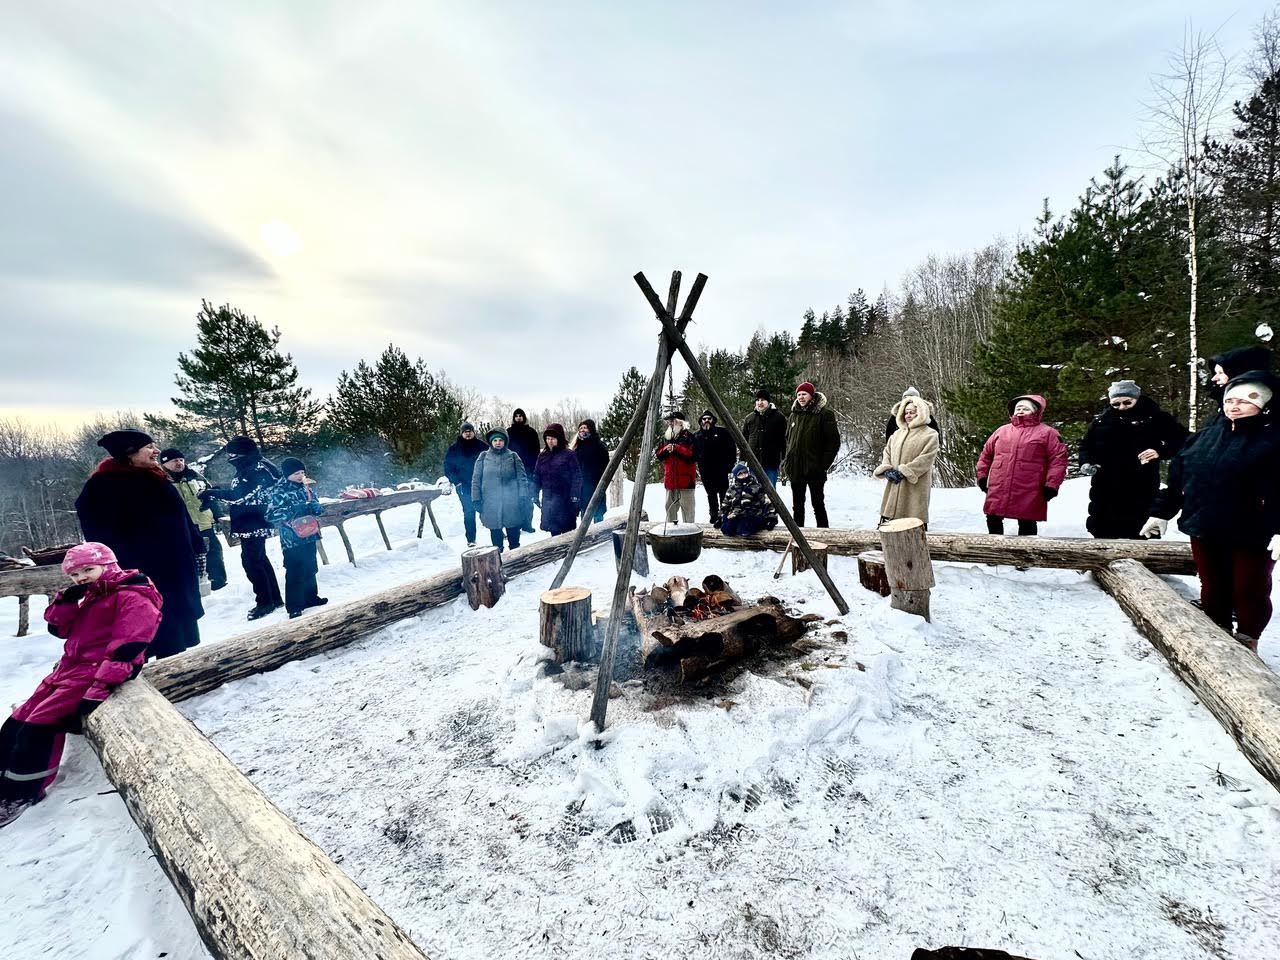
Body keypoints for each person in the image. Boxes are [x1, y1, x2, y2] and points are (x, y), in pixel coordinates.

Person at [1, 543, 161, 828]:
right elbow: (60, 630)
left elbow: (129, 645)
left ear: (108, 565)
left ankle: (21, 792)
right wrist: (64, 601)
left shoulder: (132, 595)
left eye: (88, 569)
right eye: (75, 574)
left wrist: (100, 688)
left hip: (92, 671)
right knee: (17, 720)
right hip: (68, 668)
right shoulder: (92, 594)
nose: (81, 577)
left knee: (39, 726)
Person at [1141, 372, 1280, 652]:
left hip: (1253, 531)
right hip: (1204, 524)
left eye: (1245, 400)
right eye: (1230, 400)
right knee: (1212, 585)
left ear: (1265, 404)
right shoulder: (1204, 437)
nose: (1235, 406)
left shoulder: (1275, 440)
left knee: (1248, 589)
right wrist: (1161, 512)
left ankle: (1247, 639)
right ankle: (1217, 636)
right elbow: (1179, 478)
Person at [74, 429, 204, 658]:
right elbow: (98, 533)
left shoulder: (155, 476)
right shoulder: (104, 485)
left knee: (179, 621)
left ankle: (183, 665)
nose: (156, 451)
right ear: (129, 453)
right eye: (149, 447)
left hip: (175, 565)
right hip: (144, 571)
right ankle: (170, 673)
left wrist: (196, 543)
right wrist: (120, 568)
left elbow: (180, 514)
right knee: (159, 624)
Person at [1078, 381, 1187, 539]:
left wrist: (1160, 451)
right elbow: (1086, 446)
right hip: (1106, 485)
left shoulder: (1156, 418)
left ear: (1137, 398)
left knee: (1139, 529)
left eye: (1127, 402)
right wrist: (1086, 462)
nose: (1122, 407)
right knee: (1102, 530)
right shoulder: (1101, 421)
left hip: (1141, 484)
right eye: (1116, 404)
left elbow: (1185, 440)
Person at [207, 435, 283, 620]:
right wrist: (218, 489)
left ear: (242, 453)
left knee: (252, 562)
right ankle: (273, 598)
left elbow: (240, 496)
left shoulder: (256, 468)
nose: (230, 458)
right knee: (259, 560)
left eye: (232, 454)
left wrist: (213, 493)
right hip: (250, 520)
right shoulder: (251, 466)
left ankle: (265, 602)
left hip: (254, 521)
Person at [975, 394, 1068, 536]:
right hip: (999, 483)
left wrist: (1052, 485)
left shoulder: (1048, 433)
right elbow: (986, 455)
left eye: (1025, 408)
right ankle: (995, 551)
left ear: (1036, 411)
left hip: (1030, 486)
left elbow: (1058, 461)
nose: (1020, 411)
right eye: (1018, 408)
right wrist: (982, 476)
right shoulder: (1001, 431)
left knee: (1027, 520)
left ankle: (1026, 555)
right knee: (993, 516)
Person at [265, 457, 328, 620]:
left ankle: (311, 598)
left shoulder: (306, 487)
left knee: (310, 567)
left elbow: (315, 504)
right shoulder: (278, 490)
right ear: (287, 474)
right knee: (294, 570)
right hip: (291, 538)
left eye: (302, 472)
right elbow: (270, 514)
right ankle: (294, 606)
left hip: (309, 534)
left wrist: (316, 508)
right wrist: (294, 509)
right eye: (296, 473)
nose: (300, 475)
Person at [159, 448, 227, 591]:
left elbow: (211, 497)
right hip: (181, 528)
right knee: (190, 557)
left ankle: (219, 583)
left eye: (181, 460)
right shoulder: (160, 482)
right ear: (165, 464)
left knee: (214, 552)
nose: (179, 463)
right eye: (174, 461)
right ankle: (195, 586)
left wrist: (218, 515)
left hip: (204, 522)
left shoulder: (196, 476)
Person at [873, 394, 939, 526]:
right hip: (894, 485)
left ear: (920, 413)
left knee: (912, 524)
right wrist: (887, 469)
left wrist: (905, 471)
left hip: (915, 486)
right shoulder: (897, 434)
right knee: (888, 525)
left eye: (912, 413)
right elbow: (887, 452)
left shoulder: (930, 434)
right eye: (906, 413)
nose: (908, 416)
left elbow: (926, 458)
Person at [783, 381, 840, 528]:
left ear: (812, 396)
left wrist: (823, 464)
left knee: (818, 504)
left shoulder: (824, 414)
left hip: (815, 468)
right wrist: (787, 461)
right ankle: (798, 537)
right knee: (797, 505)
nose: (801, 397)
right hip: (795, 468)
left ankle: (823, 534)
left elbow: (833, 443)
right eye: (799, 394)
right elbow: (788, 440)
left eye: (804, 394)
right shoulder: (793, 415)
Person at [472, 428, 530, 552]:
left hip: (511, 501)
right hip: (490, 502)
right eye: (495, 440)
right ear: (491, 442)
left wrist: (523, 496)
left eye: (501, 440)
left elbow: (522, 478)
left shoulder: (513, 456)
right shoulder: (483, 457)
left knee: (513, 534)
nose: (498, 442)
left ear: (505, 442)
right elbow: (476, 479)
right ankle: (498, 562)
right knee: (496, 536)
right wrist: (476, 499)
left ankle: (516, 560)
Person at [531, 423, 582, 536]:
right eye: (548, 438)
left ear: (559, 439)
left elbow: (576, 476)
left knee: (567, 533)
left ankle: (570, 553)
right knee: (554, 532)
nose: (550, 441)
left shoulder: (569, 455)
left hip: (566, 500)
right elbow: (537, 476)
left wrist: (575, 495)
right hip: (549, 501)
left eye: (553, 438)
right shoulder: (542, 456)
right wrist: (534, 493)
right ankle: (557, 553)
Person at [444, 423, 487, 546]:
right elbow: (448, 467)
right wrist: (456, 482)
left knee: (487, 508)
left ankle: (496, 531)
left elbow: (491, 461)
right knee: (469, 512)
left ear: (473, 432)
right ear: (461, 433)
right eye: (465, 431)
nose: (468, 433)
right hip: (464, 486)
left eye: (470, 431)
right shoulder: (454, 448)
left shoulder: (482, 446)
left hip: (482, 484)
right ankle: (471, 539)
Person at [691, 411, 736, 525]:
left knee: (724, 493)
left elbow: (732, 449)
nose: (706, 421)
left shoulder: (722, 432)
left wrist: (730, 464)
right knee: (711, 494)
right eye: (704, 419)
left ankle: (725, 514)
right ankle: (714, 515)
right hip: (706, 471)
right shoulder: (696, 435)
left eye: (709, 419)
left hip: (721, 469)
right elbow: (694, 453)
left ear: (713, 420)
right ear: (701, 421)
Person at [655, 412, 697, 523]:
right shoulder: (666, 438)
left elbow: (693, 455)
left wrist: (677, 448)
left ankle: (689, 533)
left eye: (672, 421)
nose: (670, 423)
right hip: (670, 481)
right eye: (669, 421)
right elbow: (658, 454)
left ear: (680, 422)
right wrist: (666, 449)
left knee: (688, 510)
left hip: (686, 481)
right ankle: (670, 532)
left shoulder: (690, 437)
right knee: (669, 508)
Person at [740, 389, 787, 486]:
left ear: (768, 402)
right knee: (754, 492)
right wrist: (743, 458)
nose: (759, 402)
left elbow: (784, 439)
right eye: (757, 400)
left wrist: (784, 458)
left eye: (762, 400)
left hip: (771, 462)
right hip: (753, 462)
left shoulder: (779, 418)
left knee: (770, 492)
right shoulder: (749, 418)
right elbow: (743, 440)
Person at [717, 463, 778, 537]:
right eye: (740, 474)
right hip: (736, 515)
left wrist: (771, 518)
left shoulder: (756, 487)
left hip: (752, 515)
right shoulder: (732, 489)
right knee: (726, 529)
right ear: (736, 476)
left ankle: (760, 524)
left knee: (743, 529)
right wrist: (720, 517)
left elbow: (767, 503)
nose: (743, 475)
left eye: (745, 472)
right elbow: (725, 504)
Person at [1207, 345, 1272, 410]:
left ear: (1236, 373)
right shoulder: (1225, 406)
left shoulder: (1244, 411)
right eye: (1215, 373)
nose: (1214, 378)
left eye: (1221, 373)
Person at [571, 419, 609, 523]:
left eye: (585, 427)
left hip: (597, 485)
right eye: (581, 428)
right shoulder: (577, 447)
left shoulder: (599, 446)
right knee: (585, 515)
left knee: (598, 516)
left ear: (591, 429)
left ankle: (601, 538)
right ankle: (584, 538)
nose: (582, 430)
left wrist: (602, 481)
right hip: (583, 488)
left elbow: (606, 466)